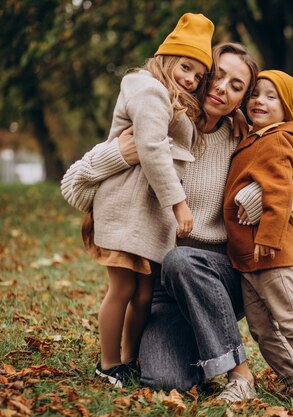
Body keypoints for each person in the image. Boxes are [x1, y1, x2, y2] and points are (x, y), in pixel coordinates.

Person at [62, 43, 293, 401]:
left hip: (223, 277)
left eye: (237, 86)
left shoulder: (244, 139)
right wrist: (119, 154)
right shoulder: (158, 124)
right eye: (218, 76)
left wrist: (256, 197)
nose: (223, 88)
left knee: (183, 260)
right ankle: (199, 344)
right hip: (164, 286)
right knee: (165, 380)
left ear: (241, 100)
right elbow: (74, 186)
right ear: (202, 76)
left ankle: (240, 375)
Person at [68, 13, 214, 387]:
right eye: (185, 67)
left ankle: (129, 358)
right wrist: (178, 203)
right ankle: (108, 363)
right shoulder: (148, 89)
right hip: (127, 207)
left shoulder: (169, 97)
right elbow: (149, 149)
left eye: (198, 75)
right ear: (165, 59)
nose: (191, 79)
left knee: (145, 292)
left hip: (147, 215)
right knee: (123, 288)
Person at [224, 70, 293, 403]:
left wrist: (269, 237)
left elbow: (278, 191)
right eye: (255, 94)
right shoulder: (256, 136)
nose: (259, 101)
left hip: (270, 252)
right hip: (247, 255)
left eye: (270, 97)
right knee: (260, 327)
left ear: (286, 109)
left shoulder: (278, 139)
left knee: (289, 317)